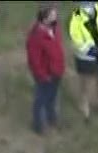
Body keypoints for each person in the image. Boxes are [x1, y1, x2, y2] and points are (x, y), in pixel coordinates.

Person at [26, 6, 66, 136]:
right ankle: (38, 125)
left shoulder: (55, 29)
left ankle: (52, 119)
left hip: (56, 71)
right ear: (44, 18)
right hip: (45, 74)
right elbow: (34, 60)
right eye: (52, 15)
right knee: (41, 99)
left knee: (52, 97)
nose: (56, 16)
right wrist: (42, 75)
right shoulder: (36, 36)